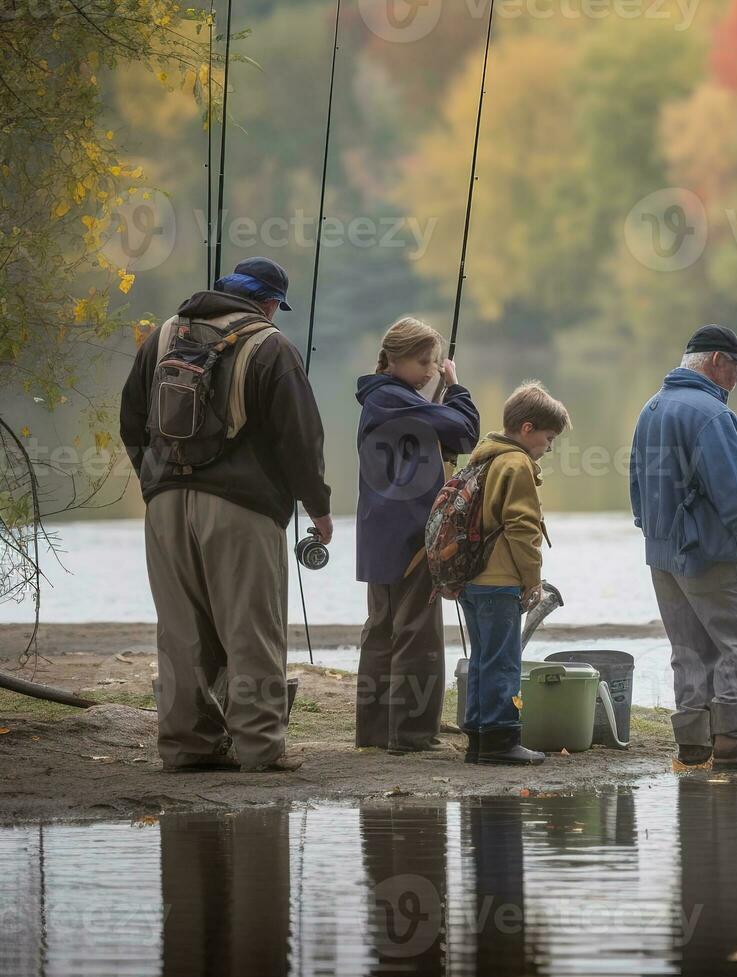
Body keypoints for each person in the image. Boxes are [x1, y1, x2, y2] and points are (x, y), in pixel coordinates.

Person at [120, 256, 331, 772]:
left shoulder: (163, 336)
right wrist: (318, 507)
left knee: (180, 631)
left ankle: (187, 745)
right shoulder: (271, 346)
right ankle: (260, 748)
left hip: (165, 506)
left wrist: (156, 483)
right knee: (251, 628)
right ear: (267, 303)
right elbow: (300, 439)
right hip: (242, 510)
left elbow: (130, 419)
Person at [630, 324, 737, 769]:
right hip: (713, 551)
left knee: (689, 648)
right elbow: (732, 489)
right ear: (717, 362)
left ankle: (694, 743)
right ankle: (734, 739)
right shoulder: (713, 416)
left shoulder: (651, 408)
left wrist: (651, 534)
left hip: (662, 553)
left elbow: (637, 483)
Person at [355, 316, 480, 753]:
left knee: (382, 628)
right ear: (394, 359)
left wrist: (433, 396)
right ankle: (411, 733)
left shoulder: (382, 398)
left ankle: (374, 731)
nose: (432, 369)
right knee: (417, 631)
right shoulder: (396, 399)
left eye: (435, 362)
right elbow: (466, 433)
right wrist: (456, 386)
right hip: (410, 531)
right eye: (425, 361)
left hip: (379, 531)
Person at [459, 381, 570, 766]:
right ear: (527, 429)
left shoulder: (482, 456)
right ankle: (502, 738)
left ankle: (477, 737)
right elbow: (522, 527)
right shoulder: (517, 463)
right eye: (548, 436)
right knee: (504, 661)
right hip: (500, 579)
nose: (550, 445)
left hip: (471, 578)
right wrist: (532, 579)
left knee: (482, 658)